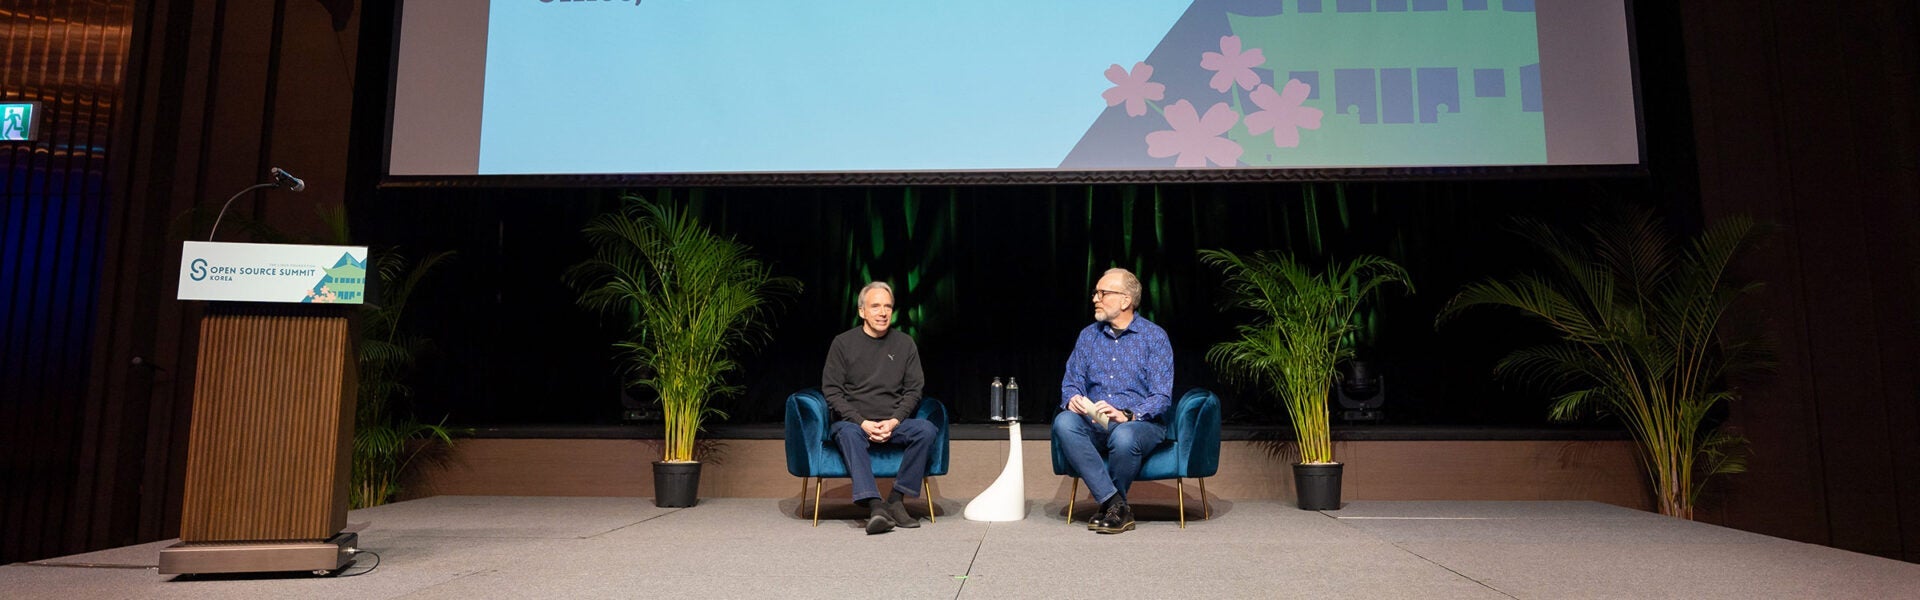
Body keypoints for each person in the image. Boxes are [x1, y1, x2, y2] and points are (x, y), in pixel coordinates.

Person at [1054, 267, 1173, 534]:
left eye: (1103, 292)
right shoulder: (1088, 336)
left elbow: (1162, 396)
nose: (1095, 298)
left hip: (1139, 423)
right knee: (1064, 422)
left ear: (1125, 300)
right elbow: (1071, 380)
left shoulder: (1154, 337)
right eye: (1095, 292)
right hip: (1095, 420)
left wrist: (1128, 414)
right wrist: (1073, 398)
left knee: (1124, 436)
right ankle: (1115, 504)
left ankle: (1112, 506)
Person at [821, 281, 935, 534]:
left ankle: (895, 500)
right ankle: (875, 506)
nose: (882, 313)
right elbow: (832, 391)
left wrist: (894, 420)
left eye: (887, 307)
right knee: (848, 433)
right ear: (862, 311)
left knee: (926, 430)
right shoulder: (842, 343)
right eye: (875, 306)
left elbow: (914, 390)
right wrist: (862, 422)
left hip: (893, 422)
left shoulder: (905, 344)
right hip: (855, 423)